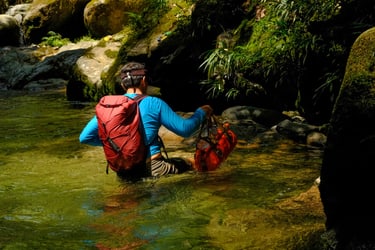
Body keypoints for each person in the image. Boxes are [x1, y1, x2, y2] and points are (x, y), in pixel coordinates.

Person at [79, 61, 213, 179]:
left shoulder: (110, 108)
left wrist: (119, 145)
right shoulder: (153, 103)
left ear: (122, 85)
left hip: (125, 172)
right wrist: (201, 112)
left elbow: (85, 137)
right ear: (143, 80)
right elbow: (185, 130)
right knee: (193, 163)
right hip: (153, 168)